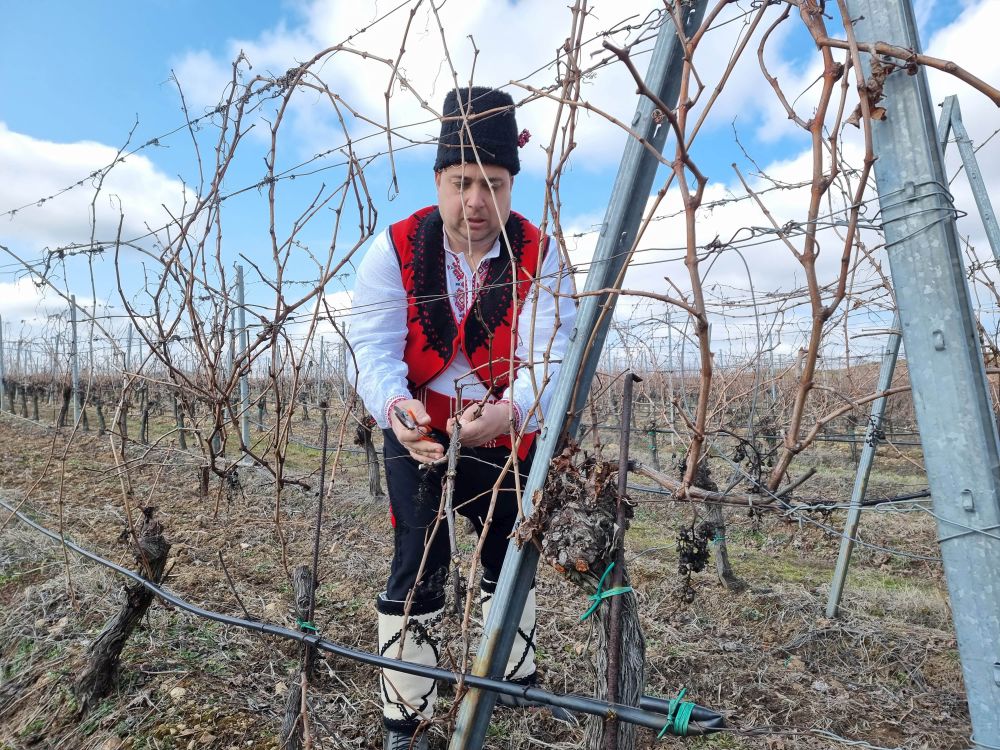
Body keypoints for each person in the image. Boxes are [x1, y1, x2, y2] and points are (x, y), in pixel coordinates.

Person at [348, 86, 577, 749]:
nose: (476, 200)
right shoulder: (392, 250)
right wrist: (397, 409)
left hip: (505, 426)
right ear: (439, 179)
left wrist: (512, 412)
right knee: (418, 558)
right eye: (461, 182)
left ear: (511, 185)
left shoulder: (542, 254)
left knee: (511, 548)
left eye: (493, 183)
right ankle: (407, 719)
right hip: (419, 426)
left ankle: (515, 678)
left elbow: (548, 356)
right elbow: (373, 349)